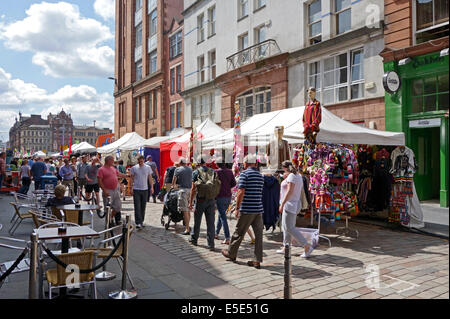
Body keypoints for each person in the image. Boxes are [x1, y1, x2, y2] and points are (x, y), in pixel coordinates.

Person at [222, 155, 264, 269]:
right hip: (258, 209)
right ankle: (257, 260)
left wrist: (237, 208)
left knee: (239, 232)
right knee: (259, 235)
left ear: (246, 163)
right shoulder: (260, 175)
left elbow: (241, 191)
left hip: (247, 208)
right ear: (255, 164)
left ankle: (231, 253)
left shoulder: (245, 174)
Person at [277, 161, 314, 258]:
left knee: (289, 227)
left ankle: (306, 245)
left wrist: (282, 204)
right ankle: (286, 246)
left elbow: (289, 191)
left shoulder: (292, 176)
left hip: (290, 204)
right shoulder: (297, 176)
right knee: (285, 227)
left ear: (285, 168)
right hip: (293, 203)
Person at [188, 156, 218, 251]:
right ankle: (211, 244)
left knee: (197, 221)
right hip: (211, 199)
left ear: (198, 163)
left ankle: (194, 239)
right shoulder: (213, 171)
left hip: (200, 199)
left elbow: (193, 188)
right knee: (211, 223)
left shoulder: (196, 172)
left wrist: (190, 202)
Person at [98, 156, 128, 225]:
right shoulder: (101, 169)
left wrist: (127, 176)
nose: (114, 162)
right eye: (112, 160)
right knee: (108, 208)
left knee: (118, 207)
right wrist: (104, 190)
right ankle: (108, 222)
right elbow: (99, 181)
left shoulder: (113, 168)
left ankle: (111, 217)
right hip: (108, 190)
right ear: (108, 161)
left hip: (116, 190)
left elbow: (119, 174)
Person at [215, 161, 236, 245]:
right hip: (228, 196)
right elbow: (233, 184)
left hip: (220, 196)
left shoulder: (216, 172)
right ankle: (216, 233)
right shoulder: (230, 172)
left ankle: (227, 237)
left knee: (223, 217)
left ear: (217, 164)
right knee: (221, 214)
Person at [130, 156, 154, 229]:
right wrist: (131, 188)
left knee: (143, 206)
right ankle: (138, 222)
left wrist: (152, 187)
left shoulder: (148, 167)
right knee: (137, 206)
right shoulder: (134, 168)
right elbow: (132, 178)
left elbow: (150, 177)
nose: (140, 163)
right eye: (139, 161)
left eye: (141, 161)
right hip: (136, 189)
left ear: (144, 160)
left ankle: (141, 221)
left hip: (145, 189)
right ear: (137, 161)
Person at [172, 158, 193, 235]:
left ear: (180, 163)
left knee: (185, 211)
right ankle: (188, 226)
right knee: (188, 209)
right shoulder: (190, 169)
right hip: (190, 191)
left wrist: (173, 186)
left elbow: (173, 181)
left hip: (183, 191)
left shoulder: (177, 169)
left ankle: (187, 229)